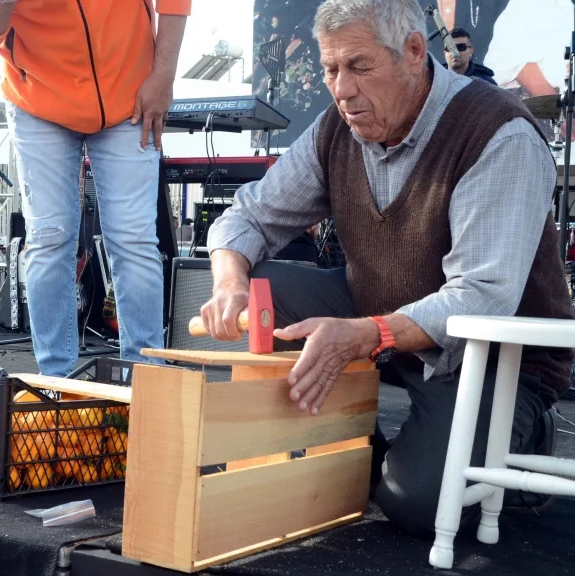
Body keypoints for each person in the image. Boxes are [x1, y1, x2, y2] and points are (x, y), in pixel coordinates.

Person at [202, 0, 573, 536]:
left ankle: (522, 433)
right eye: (331, 69)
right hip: (382, 324)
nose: (342, 89)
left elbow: (481, 297)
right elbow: (249, 216)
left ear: (414, 52)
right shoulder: (337, 128)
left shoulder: (497, 132)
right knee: (264, 289)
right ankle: (353, 448)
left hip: (494, 359)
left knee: (417, 505)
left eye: (359, 66)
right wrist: (229, 281)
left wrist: (365, 334)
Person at [0, 0, 190, 376]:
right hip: (37, 96)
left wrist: (164, 76)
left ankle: (147, 384)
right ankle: (56, 386)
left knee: (134, 241)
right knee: (48, 240)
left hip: (130, 89)